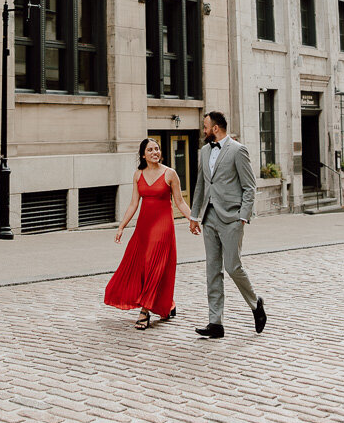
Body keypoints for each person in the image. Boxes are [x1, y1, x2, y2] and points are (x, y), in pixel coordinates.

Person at [189, 111, 267, 338]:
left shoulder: (238, 150)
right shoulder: (204, 151)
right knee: (213, 270)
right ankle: (216, 323)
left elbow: (249, 186)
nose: (203, 131)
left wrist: (244, 215)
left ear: (215, 128)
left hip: (232, 217)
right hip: (209, 217)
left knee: (233, 267)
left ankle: (256, 304)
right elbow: (201, 186)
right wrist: (195, 216)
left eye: (206, 127)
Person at [104, 137, 192, 329]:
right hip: (144, 227)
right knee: (142, 266)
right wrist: (121, 227)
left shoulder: (170, 174)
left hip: (163, 227)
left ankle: (145, 311)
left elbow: (180, 202)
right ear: (143, 155)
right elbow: (134, 204)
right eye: (150, 150)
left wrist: (191, 219)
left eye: (157, 149)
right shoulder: (138, 175)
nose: (155, 152)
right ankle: (167, 303)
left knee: (155, 264)